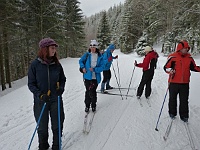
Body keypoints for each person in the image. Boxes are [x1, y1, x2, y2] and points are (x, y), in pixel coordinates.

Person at [28, 38, 66, 150]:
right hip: (41, 101)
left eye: (55, 48)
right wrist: (40, 95)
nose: (54, 50)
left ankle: (56, 145)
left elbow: (62, 79)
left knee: (57, 124)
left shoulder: (57, 65)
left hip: (56, 99)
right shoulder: (35, 65)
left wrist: (61, 88)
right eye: (52, 48)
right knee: (42, 127)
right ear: (45, 49)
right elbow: (31, 84)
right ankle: (43, 146)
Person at [164, 40, 200, 122]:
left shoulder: (189, 58)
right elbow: (166, 67)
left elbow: (194, 67)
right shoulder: (172, 57)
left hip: (185, 83)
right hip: (173, 82)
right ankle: (172, 113)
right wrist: (170, 71)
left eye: (187, 48)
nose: (186, 50)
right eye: (185, 48)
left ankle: (184, 116)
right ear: (180, 48)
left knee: (184, 100)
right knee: (172, 99)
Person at [79, 39, 104, 112]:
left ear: (96, 47)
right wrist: (83, 68)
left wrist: (94, 69)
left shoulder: (100, 56)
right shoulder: (87, 55)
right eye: (91, 47)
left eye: (94, 47)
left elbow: (102, 67)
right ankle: (87, 105)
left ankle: (93, 105)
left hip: (95, 77)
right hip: (87, 76)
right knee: (88, 91)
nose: (92, 48)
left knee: (93, 91)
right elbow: (81, 61)